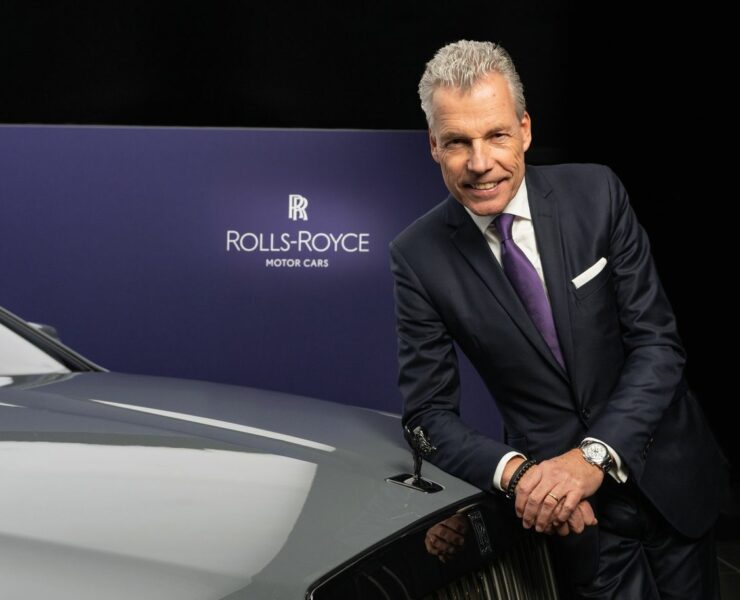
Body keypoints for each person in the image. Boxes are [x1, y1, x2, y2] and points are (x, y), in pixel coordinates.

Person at [390, 40, 728, 599]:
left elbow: (658, 345)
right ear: (433, 145)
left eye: (497, 135)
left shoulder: (596, 192)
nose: (480, 162)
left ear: (525, 129)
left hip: (669, 479)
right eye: (458, 142)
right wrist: (524, 477)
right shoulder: (416, 256)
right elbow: (427, 415)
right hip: (565, 515)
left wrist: (593, 456)